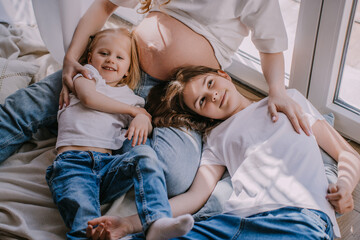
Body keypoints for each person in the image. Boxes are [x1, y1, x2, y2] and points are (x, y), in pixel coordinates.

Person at [0, 0, 324, 231]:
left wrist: (277, 92)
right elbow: (104, 5)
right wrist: (72, 58)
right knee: (25, 108)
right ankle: (93, 137)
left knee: (175, 176)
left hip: (183, 97)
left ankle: (99, 153)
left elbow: (271, 48)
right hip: (125, 69)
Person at [87, 66, 359, 239]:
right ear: (202, 115)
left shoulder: (289, 100)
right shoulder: (215, 137)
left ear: (223, 75)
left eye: (209, 84)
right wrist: (128, 223)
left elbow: (348, 154)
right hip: (231, 221)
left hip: (297, 218)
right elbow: (194, 197)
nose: (213, 96)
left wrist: (345, 185)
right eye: (202, 101)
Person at [46, 28, 193, 240]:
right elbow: (89, 98)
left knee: (144, 153)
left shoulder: (131, 98)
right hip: (72, 165)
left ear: (127, 69)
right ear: (90, 58)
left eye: (119, 57)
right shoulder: (86, 76)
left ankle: (155, 220)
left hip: (107, 166)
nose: (110, 60)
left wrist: (144, 118)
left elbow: (144, 128)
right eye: (103, 53)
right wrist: (134, 112)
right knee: (88, 226)